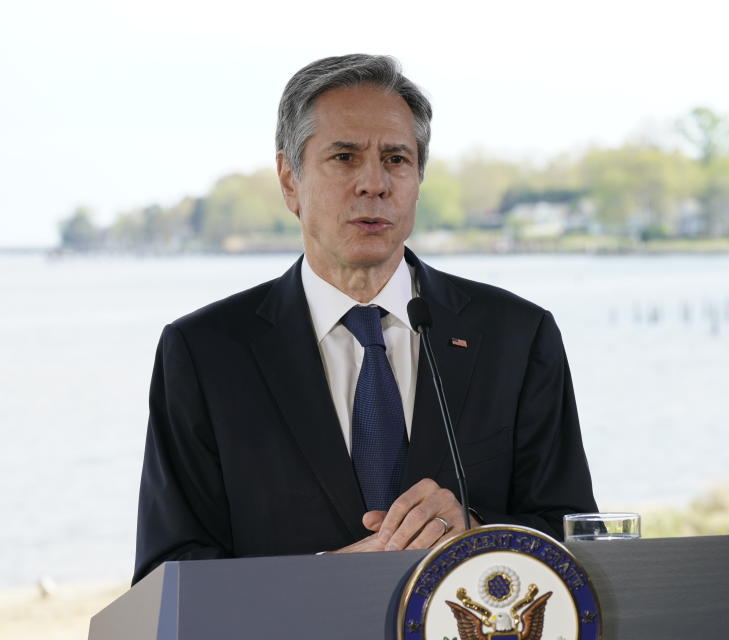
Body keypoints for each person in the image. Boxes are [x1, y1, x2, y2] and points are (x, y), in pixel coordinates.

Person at [133, 54, 597, 584]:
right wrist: (322, 580)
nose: (373, 183)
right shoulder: (203, 352)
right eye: (345, 157)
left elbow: (576, 535)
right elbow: (167, 572)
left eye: (397, 159)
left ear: (419, 178)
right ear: (290, 180)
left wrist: (479, 533)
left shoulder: (518, 335)